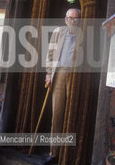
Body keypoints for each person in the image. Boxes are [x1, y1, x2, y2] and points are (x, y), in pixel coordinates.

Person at [44, 8, 81, 165]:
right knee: (57, 113)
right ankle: (54, 152)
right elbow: (50, 54)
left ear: (79, 20)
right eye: (69, 18)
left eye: (74, 18)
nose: (71, 21)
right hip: (59, 74)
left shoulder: (84, 34)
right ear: (65, 19)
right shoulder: (59, 32)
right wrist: (48, 74)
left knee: (73, 112)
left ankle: (71, 153)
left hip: (76, 76)